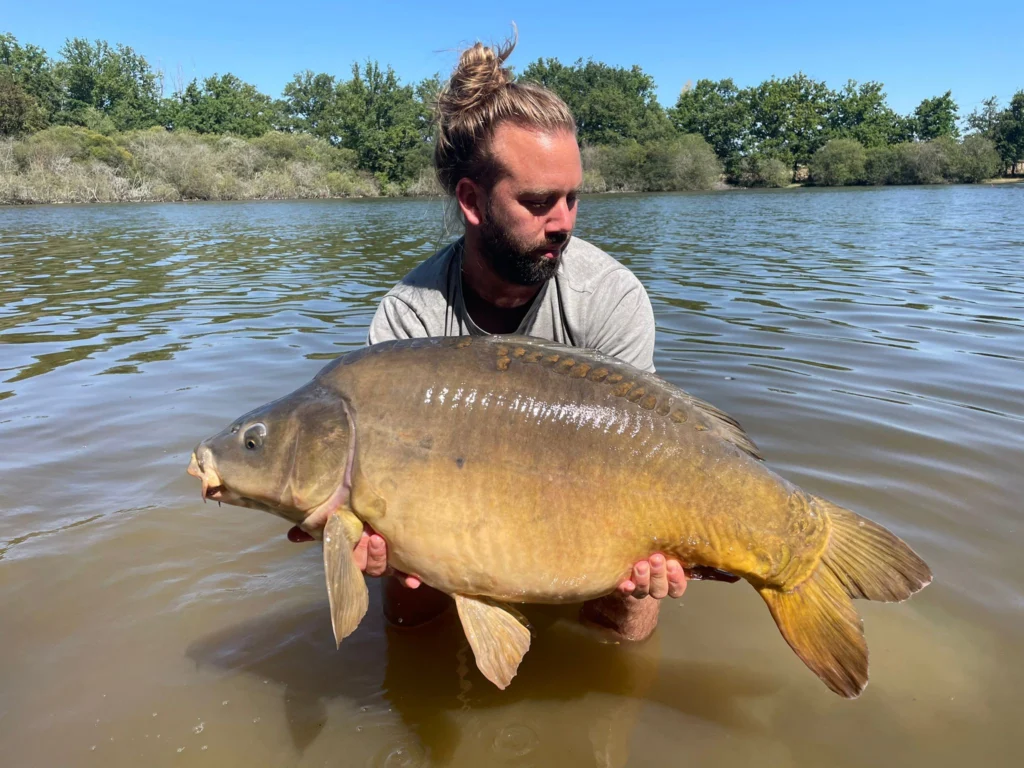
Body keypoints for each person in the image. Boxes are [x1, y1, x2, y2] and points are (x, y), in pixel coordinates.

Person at [290, 35, 687, 642]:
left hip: (587, 512)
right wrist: (377, 543)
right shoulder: (408, 319)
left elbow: (652, 443)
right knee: (406, 607)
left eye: (572, 198)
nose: (564, 223)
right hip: (455, 522)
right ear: (472, 201)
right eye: (537, 202)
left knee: (633, 615)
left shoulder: (610, 297)